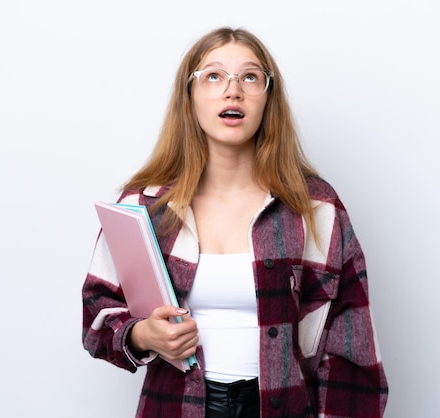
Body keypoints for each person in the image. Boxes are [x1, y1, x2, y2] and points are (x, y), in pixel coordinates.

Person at [82, 26, 388, 417]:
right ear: (189, 96)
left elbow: (352, 348)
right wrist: (142, 335)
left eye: (250, 76)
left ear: (267, 98)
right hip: (177, 408)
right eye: (213, 76)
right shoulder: (145, 207)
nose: (233, 90)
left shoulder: (316, 208)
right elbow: (96, 312)